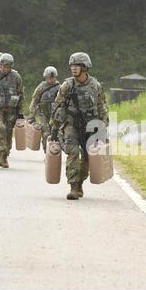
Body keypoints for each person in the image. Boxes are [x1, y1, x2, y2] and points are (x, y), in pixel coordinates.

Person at [50, 52, 109, 200]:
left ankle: (80, 182)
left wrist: (103, 130)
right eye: (72, 65)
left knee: (88, 157)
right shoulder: (67, 85)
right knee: (74, 152)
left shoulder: (96, 86)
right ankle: (74, 186)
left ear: (85, 67)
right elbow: (58, 107)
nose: (74, 68)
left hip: (91, 126)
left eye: (77, 65)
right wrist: (54, 130)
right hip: (71, 124)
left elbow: (102, 108)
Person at [0, 53, 25, 168]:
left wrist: (20, 113)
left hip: (11, 109)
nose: (5, 68)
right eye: (3, 66)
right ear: (0, 65)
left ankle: (5, 155)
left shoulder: (16, 77)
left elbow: (21, 95)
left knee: (7, 131)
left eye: (8, 66)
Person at [28, 66, 60, 152]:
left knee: (55, 134)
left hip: (54, 114)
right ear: (46, 77)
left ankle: (53, 152)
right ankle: (47, 152)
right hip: (42, 114)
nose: (50, 79)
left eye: (52, 77)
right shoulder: (41, 87)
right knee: (46, 133)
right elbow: (34, 100)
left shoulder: (59, 88)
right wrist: (31, 116)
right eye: (49, 77)